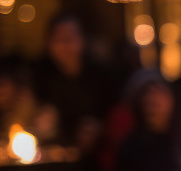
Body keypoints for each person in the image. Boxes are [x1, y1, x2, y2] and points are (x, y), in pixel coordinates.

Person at [31, 13, 117, 154]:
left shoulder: (102, 75)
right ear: (49, 43)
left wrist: (101, 127)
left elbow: (116, 114)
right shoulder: (40, 76)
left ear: (83, 40)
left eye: (71, 38)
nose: (66, 44)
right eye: (59, 39)